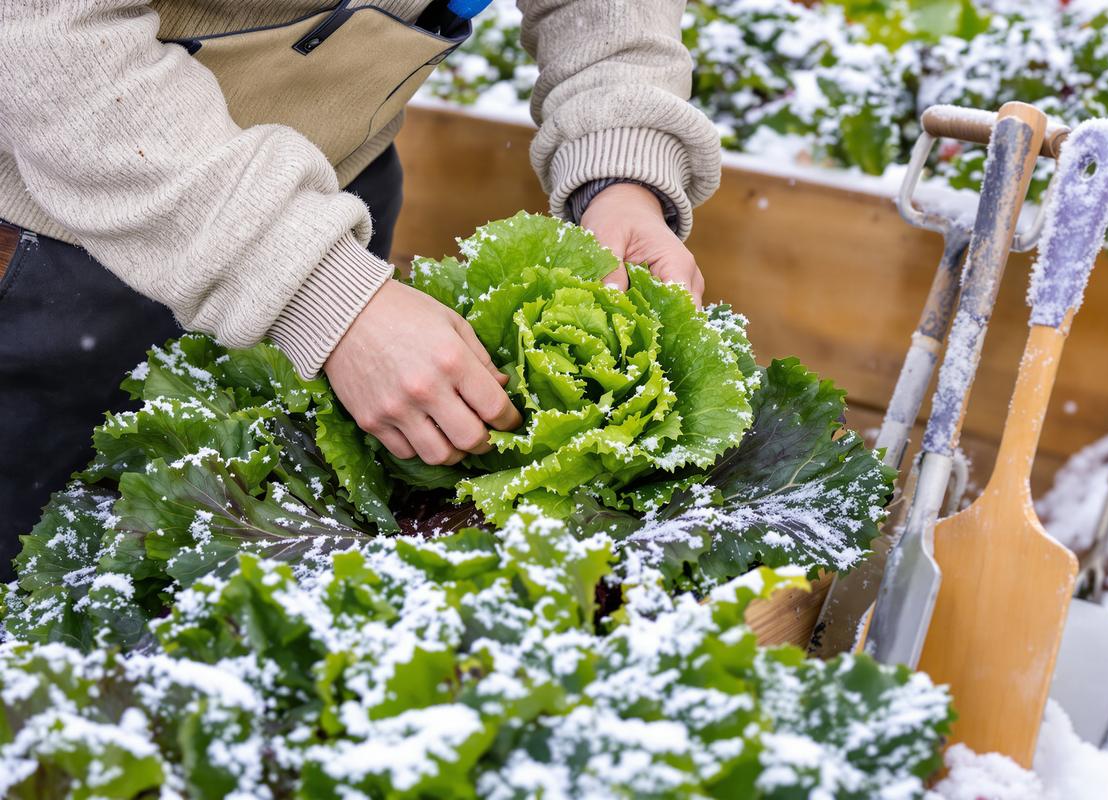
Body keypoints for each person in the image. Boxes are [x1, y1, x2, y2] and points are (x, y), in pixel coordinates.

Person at [0, 0, 722, 574]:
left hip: (339, 187)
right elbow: (43, 34)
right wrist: (321, 292)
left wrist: (620, 167)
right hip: (64, 231)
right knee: (47, 568)